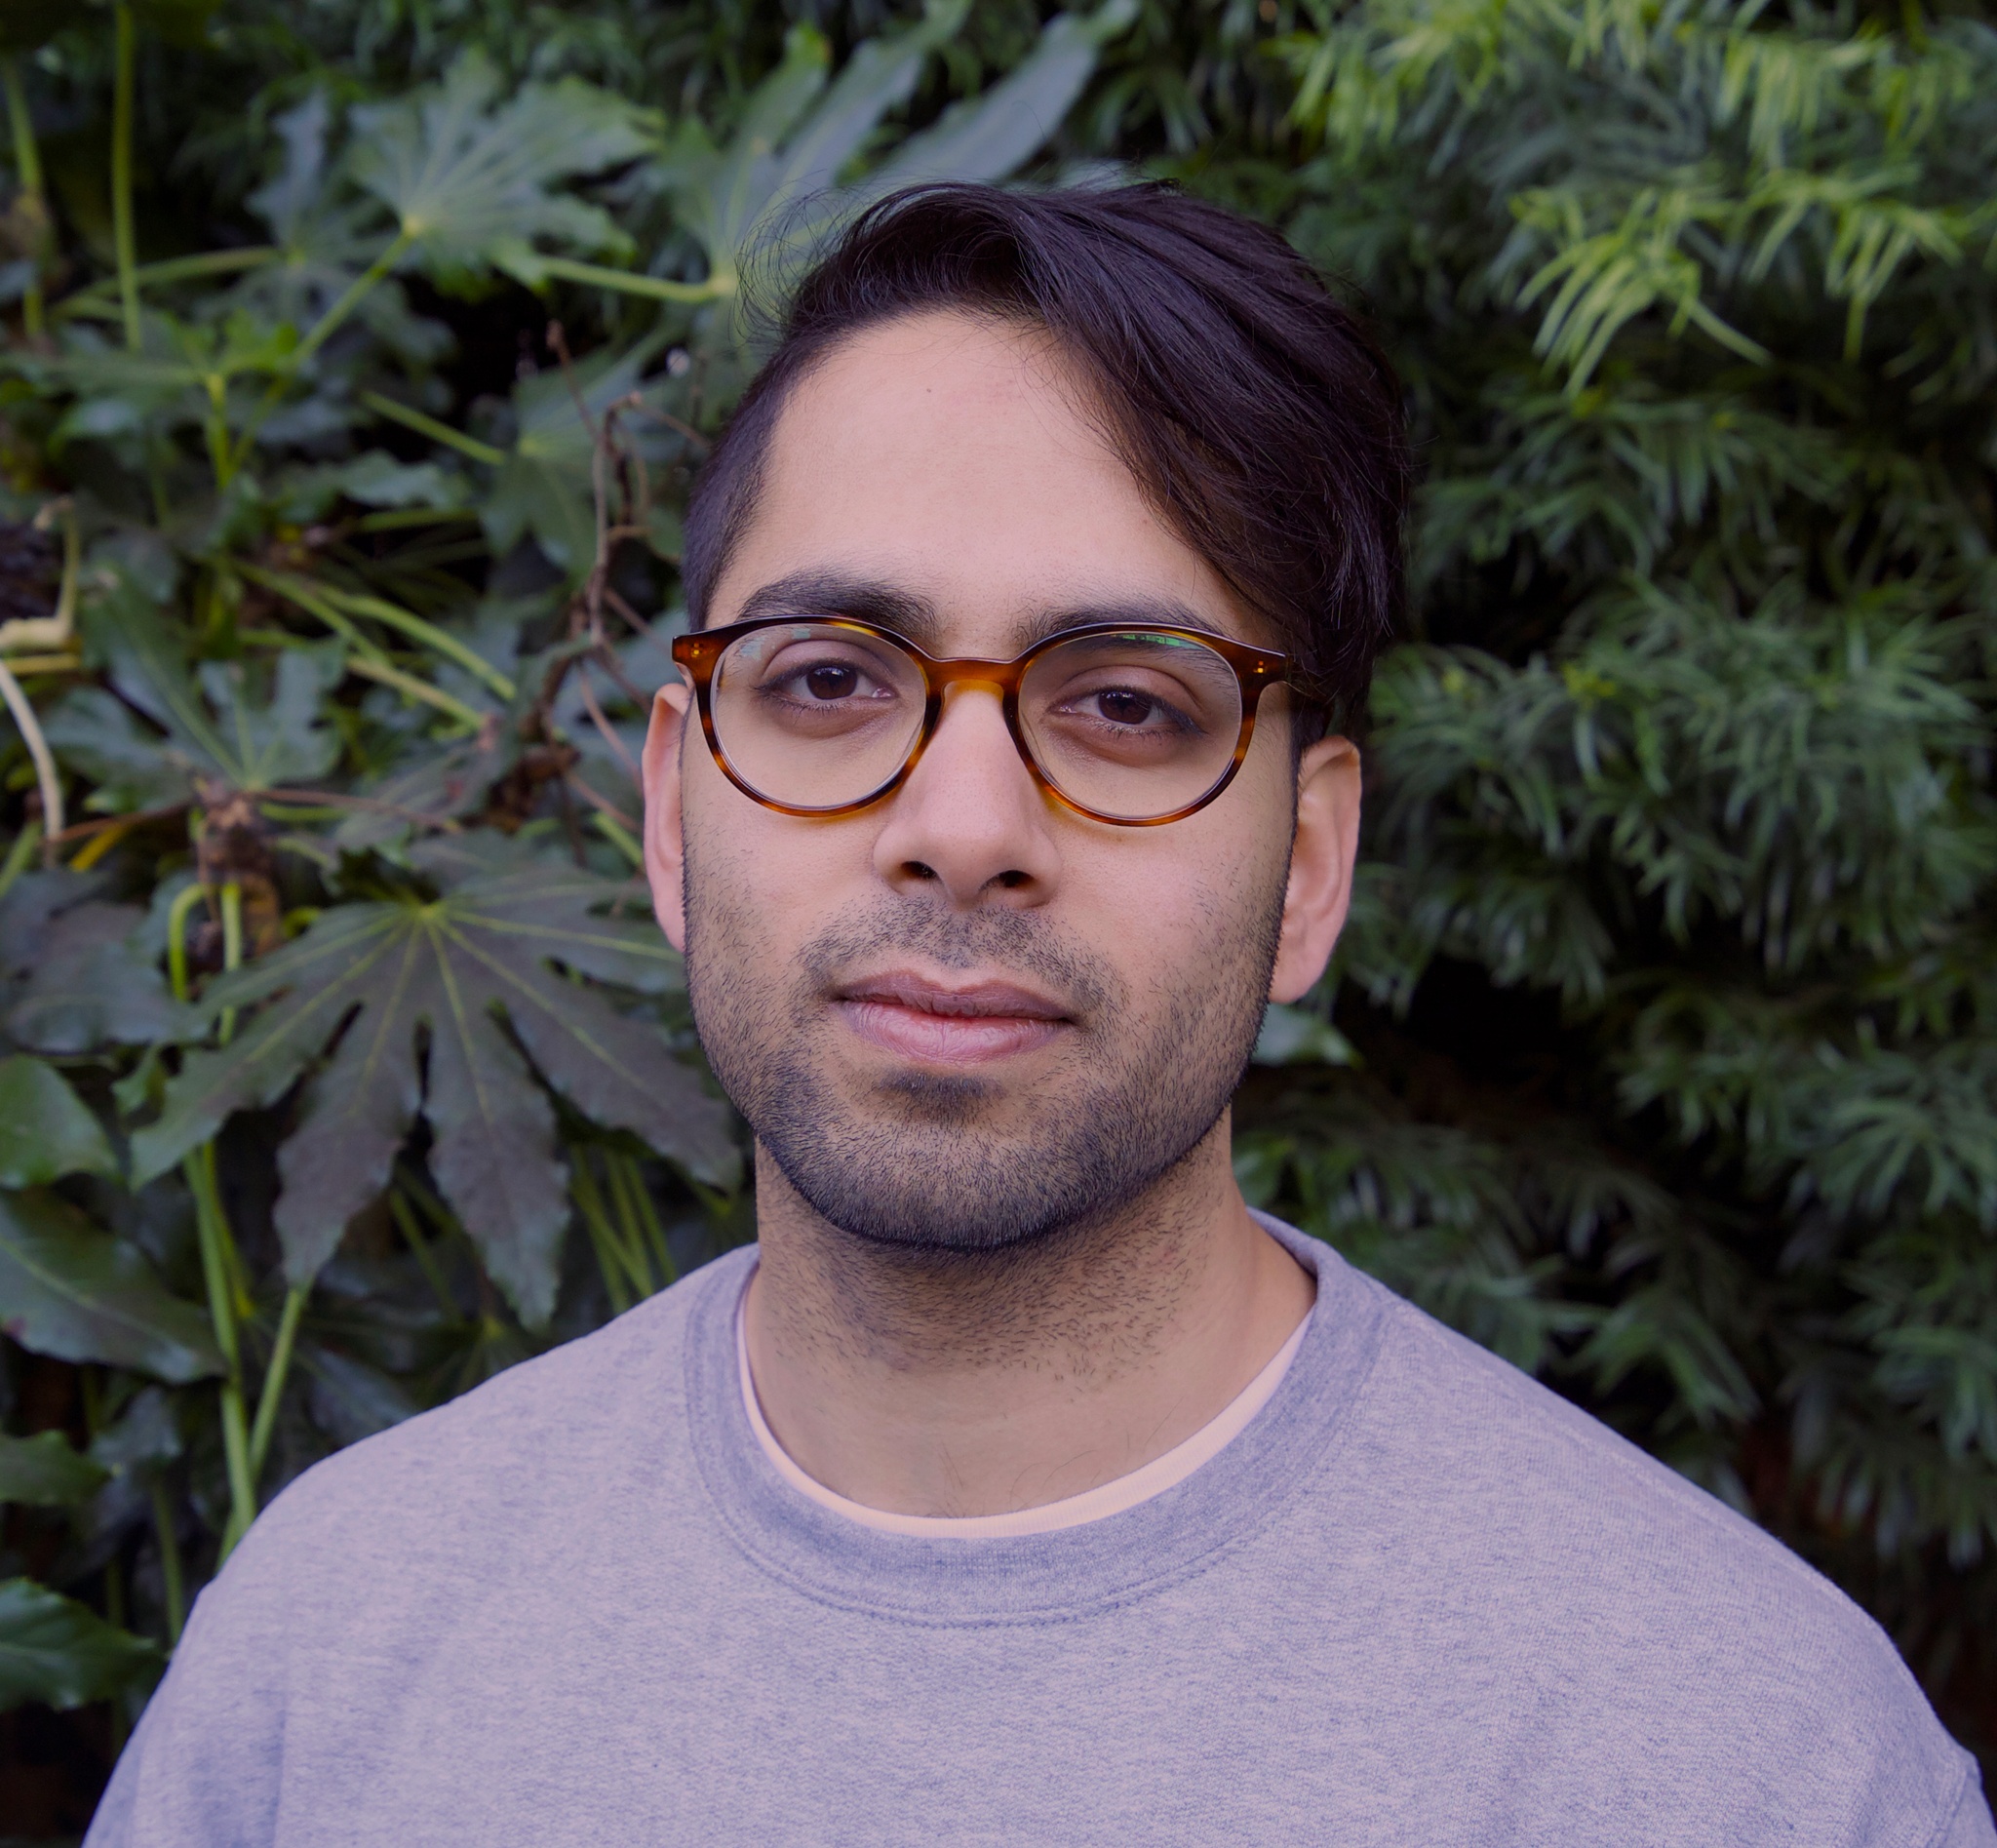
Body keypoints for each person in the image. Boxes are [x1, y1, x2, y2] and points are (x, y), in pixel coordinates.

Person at [87, 182, 1992, 1848]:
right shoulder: (327, 1661)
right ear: (673, 810)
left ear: (1307, 868)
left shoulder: (1737, 1763)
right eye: (830, 678)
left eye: (1128, 705)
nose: (963, 829)